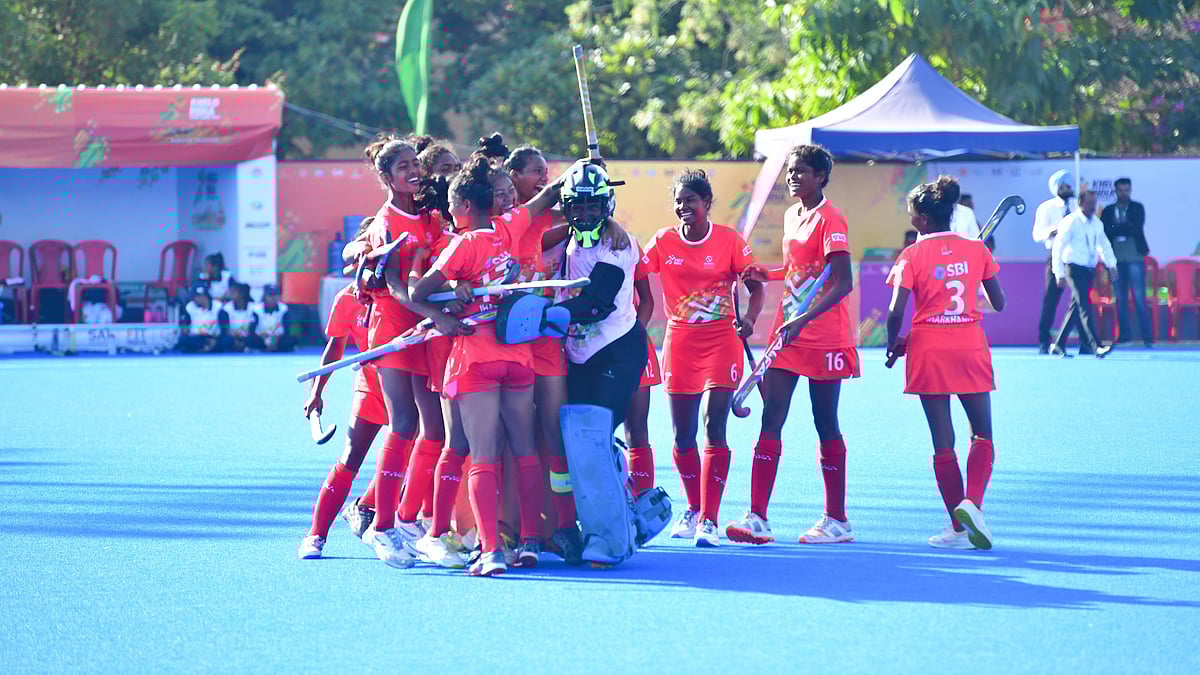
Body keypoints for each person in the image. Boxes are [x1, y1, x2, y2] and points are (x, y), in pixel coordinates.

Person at [408, 156, 564, 576]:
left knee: (484, 457)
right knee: (526, 449)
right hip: (518, 355)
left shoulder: (464, 243)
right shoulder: (508, 227)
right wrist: (587, 167)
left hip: (476, 357)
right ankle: (530, 541)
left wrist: (443, 319)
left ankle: (492, 551)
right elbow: (549, 195)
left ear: (461, 207)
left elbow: (420, 292)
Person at [727, 144, 859, 546]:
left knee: (825, 422)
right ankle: (758, 517)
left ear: (821, 176)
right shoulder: (791, 215)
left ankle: (837, 520)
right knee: (772, 417)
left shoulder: (831, 218)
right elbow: (801, 270)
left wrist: (804, 318)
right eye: (790, 170)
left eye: (801, 171)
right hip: (789, 333)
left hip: (822, 334)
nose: (793, 177)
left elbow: (842, 280)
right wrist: (763, 273)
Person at [641, 169, 763, 548]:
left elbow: (755, 287)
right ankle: (693, 508)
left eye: (691, 200)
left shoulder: (729, 240)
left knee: (714, 425)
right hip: (680, 341)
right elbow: (634, 271)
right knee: (681, 434)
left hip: (721, 340)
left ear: (707, 203)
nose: (683, 207)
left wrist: (750, 319)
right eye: (678, 201)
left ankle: (709, 518)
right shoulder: (663, 241)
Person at [884, 175, 1006, 551]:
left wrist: (894, 343)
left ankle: (956, 525)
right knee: (981, 434)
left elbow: (894, 312)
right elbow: (999, 303)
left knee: (943, 442)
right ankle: (975, 504)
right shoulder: (975, 248)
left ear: (922, 218)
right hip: (969, 346)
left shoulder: (911, 255)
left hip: (928, 350)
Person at [552, 161, 651, 563]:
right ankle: (608, 514)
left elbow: (596, 303)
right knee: (579, 445)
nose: (586, 213)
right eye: (578, 206)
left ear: (607, 205)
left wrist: (544, 316)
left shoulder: (620, 244)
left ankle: (609, 538)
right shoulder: (566, 241)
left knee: (591, 442)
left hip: (616, 350)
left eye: (594, 206)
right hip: (576, 354)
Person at [297, 281, 390, 559]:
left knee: (411, 457)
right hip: (371, 387)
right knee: (351, 459)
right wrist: (317, 392)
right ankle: (316, 535)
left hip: (408, 384)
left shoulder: (401, 289)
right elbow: (335, 348)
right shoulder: (347, 298)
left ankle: (365, 507)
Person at [1050, 189, 1116, 358]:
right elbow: (1058, 247)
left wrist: (1111, 264)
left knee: (1076, 307)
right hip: (1073, 267)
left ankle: (1058, 345)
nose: (1093, 207)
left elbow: (1104, 244)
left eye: (1094, 204)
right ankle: (1097, 346)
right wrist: (1059, 273)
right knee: (1085, 306)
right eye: (1089, 204)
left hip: (1089, 269)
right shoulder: (1070, 222)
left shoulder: (1096, 223)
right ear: (1080, 203)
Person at [1100, 177, 1152, 347]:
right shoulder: (1108, 210)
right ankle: (1125, 336)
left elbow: (1135, 227)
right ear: (1115, 191)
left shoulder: (1137, 207)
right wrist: (1121, 227)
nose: (1124, 193)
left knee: (1139, 298)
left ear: (1130, 190)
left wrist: (1116, 227)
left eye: (1126, 190)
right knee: (1120, 299)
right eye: (1121, 190)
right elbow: (1105, 231)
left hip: (1135, 257)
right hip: (1116, 260)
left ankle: (1147, 337)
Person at [625, 256, 661, 499]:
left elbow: (647, 300)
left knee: (637, 428)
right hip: (589, 347)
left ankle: (643, 501)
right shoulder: (571, 246)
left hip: (630, 345)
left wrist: (634, 335)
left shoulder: (627, 245)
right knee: (597, 431)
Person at [1032, 170, 1075, 354]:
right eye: (1062, 186)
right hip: (1055, 254)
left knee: (1079, 300)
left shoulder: (1077, 205)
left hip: (1075, 256)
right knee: (1051, 298)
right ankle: (1043, 340)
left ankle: (1084, 341)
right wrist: (1052, 231)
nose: (1066, 189)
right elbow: (1036, 234)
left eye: (1068, 185)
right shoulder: (1046, 208)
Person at [179, 285, 224, 353]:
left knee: (227, 340)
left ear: (203, 296)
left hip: (214, 338)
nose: (193, 299)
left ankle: (203, 349)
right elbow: (185, 326)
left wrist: (216, 340)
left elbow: (224, 328)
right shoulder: (190, 307)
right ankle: (205, 349)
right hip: (197, 338)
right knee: (183, 340)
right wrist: (185, 328)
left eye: (195, 297)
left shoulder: (217, 307)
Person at [249, 285, 294, 352]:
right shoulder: (256, 309)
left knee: (292, 339)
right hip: (261, 337)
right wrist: (264, 338)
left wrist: (275, 340)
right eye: (270, 295)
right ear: (265, 296)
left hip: (278, 338)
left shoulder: (284, 308)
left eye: (276, 295)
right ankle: (269, 348)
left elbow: (287, 328)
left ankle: (273, 348)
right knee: (249, 339)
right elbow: (252, 329)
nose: (273, 298)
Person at [220, 283, 254, 352]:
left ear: (241, 294)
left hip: (247, 337)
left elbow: (254, 327)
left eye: (233, 292)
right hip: (233, 338)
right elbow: (225, 328)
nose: (230, 294)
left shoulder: (254, 308)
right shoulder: (226, 308)